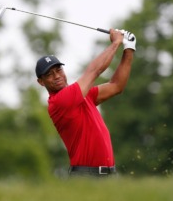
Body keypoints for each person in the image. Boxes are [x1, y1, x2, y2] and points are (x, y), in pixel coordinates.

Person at [35, 29, 136, 177]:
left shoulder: (82, 96)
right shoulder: (60, 101)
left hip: (108, 175)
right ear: (41, 82)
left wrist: (129, 49)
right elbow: (94, 71)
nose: (57, 76)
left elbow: (116, 86)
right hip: (87, 176)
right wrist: (116, 42)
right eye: (49, 74)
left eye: (59, 70)